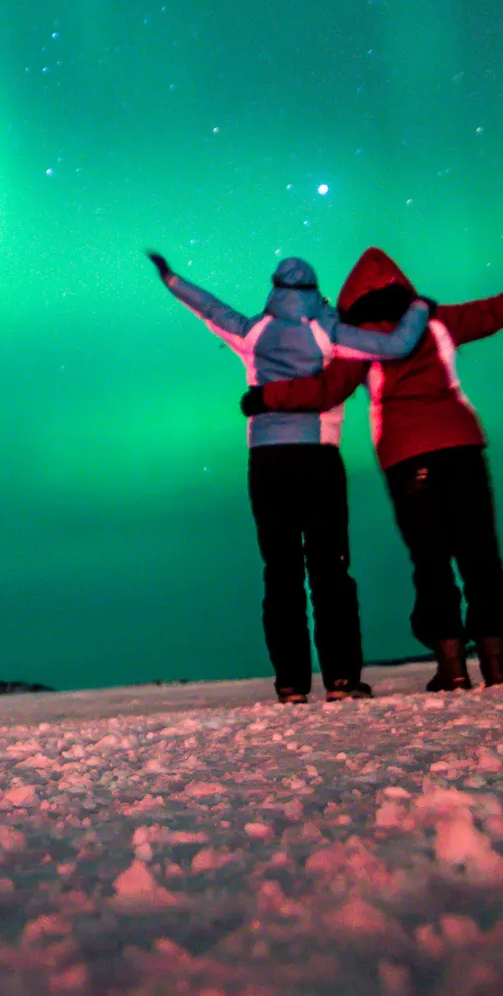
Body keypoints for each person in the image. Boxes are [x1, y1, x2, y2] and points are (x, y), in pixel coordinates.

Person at [243, 247, 503, 691]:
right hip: (462, 445)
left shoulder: (359, 342)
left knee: (432, 560)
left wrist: (268, 398)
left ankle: (452, 668)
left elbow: (325, 390)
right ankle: (496, 662)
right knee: (479, 552)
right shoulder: (438, 321)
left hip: (406, 455)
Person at [149, 251, 434, 705]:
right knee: (330, 569)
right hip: (317, 458)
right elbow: (398, 346)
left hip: (266, 463)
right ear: (313, 290)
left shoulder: (253, 331)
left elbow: (208, 306)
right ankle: (341, 678)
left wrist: (169, 277)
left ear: (275, 288)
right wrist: (419, 309)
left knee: (280, 572)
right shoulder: (329, 332)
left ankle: (290, 684)